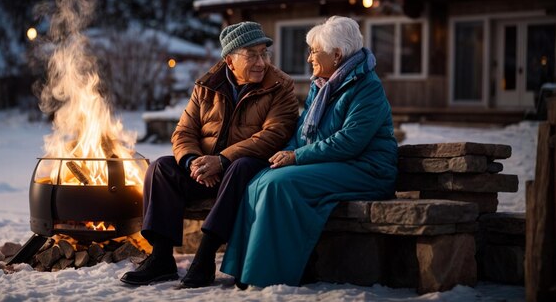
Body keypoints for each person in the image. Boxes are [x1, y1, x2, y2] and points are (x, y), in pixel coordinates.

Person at [221, 16, 398, 288]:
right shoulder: (323, 86)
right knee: (260, 179)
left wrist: (296, 157)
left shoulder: (367, 88)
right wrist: (288, 152)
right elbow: (303, 131)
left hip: (367, 170)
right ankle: (244, 268)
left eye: (315, 52)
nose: (309, 59)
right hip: (336, 163)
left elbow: (349, 142)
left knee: (280, 185)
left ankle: (267, 273)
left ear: (337, 55)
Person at [120, 21, 299, 288]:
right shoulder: (206, 86)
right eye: (252, 55)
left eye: (264, 53)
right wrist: (193, 162)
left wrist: (222, 160)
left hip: (246, 172)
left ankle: (205, 258)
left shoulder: (280, 86)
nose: (261, 62)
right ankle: (161, 258)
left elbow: (274, 135)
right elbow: (183, 133)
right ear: (229, 60)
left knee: (241, 166)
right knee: (161, 167)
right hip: (205, 170)